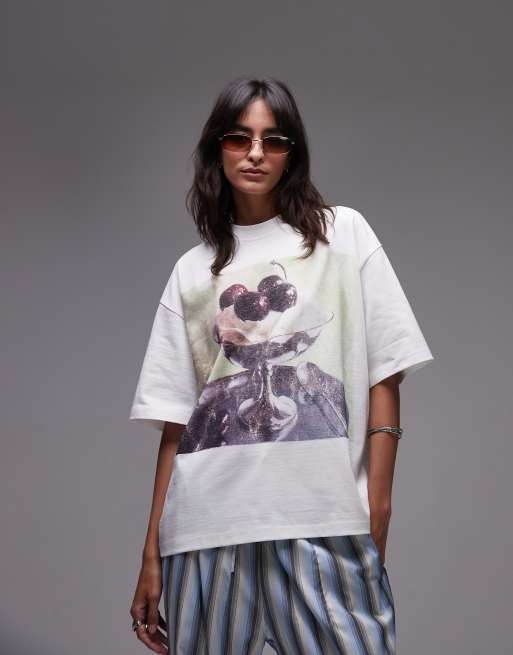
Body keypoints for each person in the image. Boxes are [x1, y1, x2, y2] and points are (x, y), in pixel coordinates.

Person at [128, 77, 434, 655]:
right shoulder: (191, 271)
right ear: (217, 149)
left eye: (272, 140)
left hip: (325, 520)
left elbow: (385, 371)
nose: (254, 153)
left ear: (292, 153)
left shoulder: (343, 234)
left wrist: (379, 503)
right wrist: (151, 553)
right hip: (207, 528)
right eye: (238, 138)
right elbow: (177, 424)